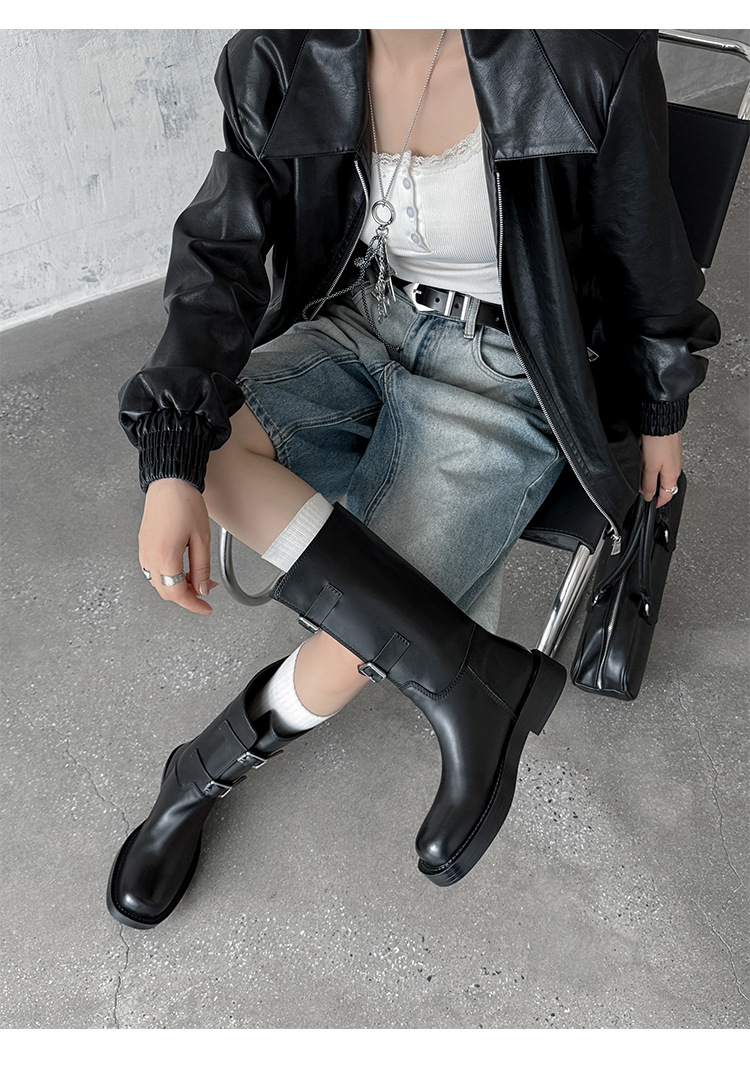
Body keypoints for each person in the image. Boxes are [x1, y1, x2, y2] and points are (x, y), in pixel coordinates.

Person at [108, 29, 721, 929]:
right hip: (360, 316)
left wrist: (663, 409)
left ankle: (198, 774)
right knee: (224, 475)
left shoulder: (581, 50)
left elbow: (647, 247)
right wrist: (169, 465)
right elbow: (220, 255)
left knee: (363, 626)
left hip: (512, 370)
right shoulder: (280, 53)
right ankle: (464, 672)